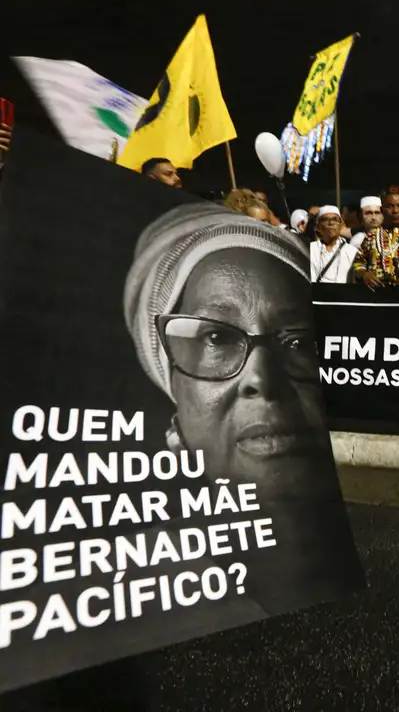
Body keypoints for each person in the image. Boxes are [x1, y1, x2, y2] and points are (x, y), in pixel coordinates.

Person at [123, 202, 359, 613]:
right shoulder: (131, 599)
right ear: (171, 382)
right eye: (215, 338)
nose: (262, 380)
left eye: (298, 342)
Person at [310, 205, 357, 283]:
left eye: (335, 219)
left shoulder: (352, 251)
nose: (331, 223)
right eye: (325, 219)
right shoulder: (310, 249)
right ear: (318, 226)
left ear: (341, 225)